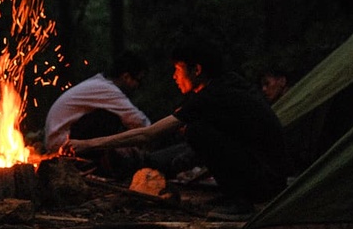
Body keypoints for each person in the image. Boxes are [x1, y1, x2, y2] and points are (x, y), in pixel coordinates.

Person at [65, 39, 293, 219]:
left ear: (197, 70)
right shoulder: (228, 85)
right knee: (192, 131)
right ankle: (232, 196)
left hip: (266, 181)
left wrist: (87, 144)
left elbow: (148, 133)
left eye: (178, 69)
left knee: (196, 131)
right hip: (268, 175)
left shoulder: (214, 94)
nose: (174, 76)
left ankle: (240, 202)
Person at [44, 50, 151, 177]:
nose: (138, 86)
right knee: (109, 118)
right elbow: (139, 122)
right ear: (126, 77)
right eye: (138, 80)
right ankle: (99, 166)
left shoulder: (100, 84)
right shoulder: (107, 90)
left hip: (60, 139)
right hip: (63, 143)